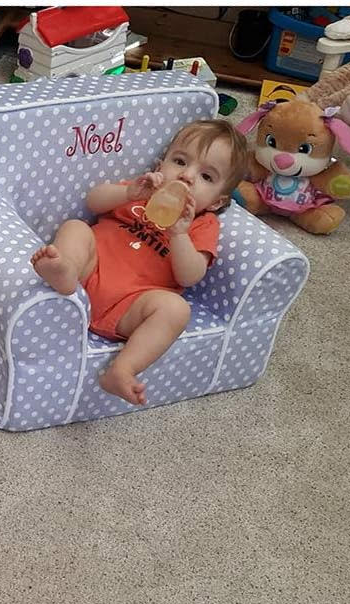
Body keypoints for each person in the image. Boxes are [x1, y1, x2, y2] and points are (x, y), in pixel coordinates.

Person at [31, 119, 251, 405]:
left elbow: (190, 276)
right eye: (180, 161)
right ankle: (65, 272)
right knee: (76, 228)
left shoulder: (202, 224)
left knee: (176, 309)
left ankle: (123, 369)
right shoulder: (142, 190)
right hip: (91, 270)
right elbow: (93, 201)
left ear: (217, 202)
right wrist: (127, 193)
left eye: (206, 177)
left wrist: (179, 235)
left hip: (130, 304)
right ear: (160, 165)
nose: (187, 176)